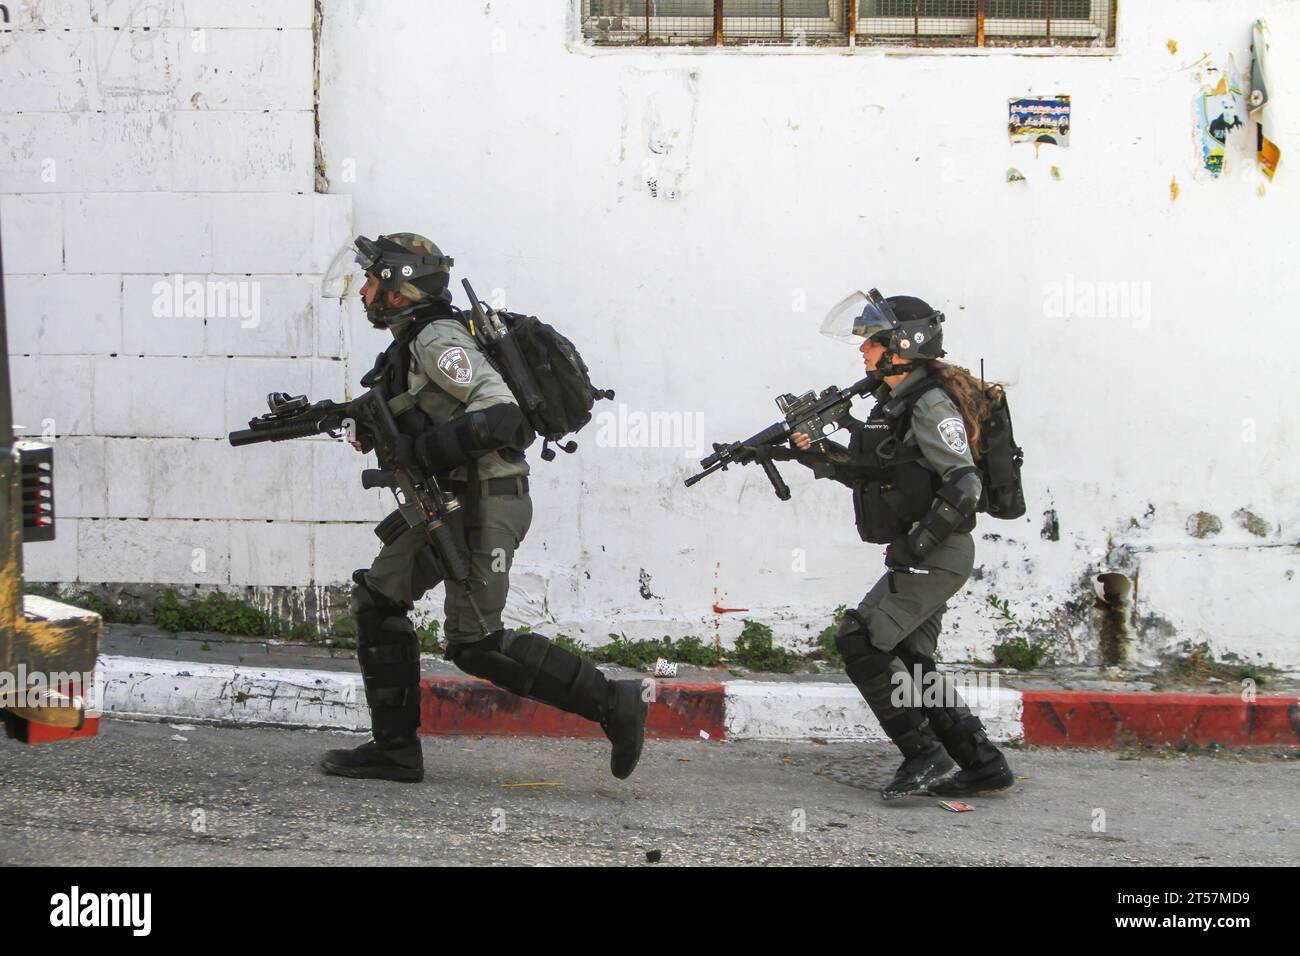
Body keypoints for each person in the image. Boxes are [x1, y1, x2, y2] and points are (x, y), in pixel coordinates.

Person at [320, 232, 648, 783]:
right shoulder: (411, 342)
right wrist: (355, 419)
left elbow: (503, 416)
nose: (364, 290)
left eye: (373, 278)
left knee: (475, 644)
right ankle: (394, 750)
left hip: (484, 502)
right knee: (378, 600)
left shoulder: (438, 340)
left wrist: (417, 449)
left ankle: (614, 702)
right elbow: (419, 410)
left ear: (400, 286)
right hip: (445, 502)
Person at [791, 291, 1014, 799]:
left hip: (937, 553)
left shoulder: (931, 403)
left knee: (860, 639)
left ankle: (924, 754)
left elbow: (964, 485)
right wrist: (814, 452)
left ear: (903, 345)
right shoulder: (897, 403)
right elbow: (877, 475)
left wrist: (917, 544)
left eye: (872, 340)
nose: (863, 350)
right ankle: (983, 762)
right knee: (912, 659)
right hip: (924, 552)